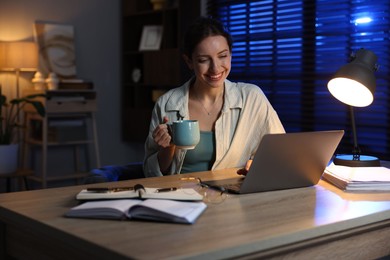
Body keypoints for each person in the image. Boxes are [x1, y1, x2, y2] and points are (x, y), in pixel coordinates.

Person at [143, 16, 285, 177]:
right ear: (189, 61)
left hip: (233, 198)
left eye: (223, 56)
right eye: (204, 60)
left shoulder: (252, 98)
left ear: (231, 55)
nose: (215, 68)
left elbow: (281, 155)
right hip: (181, 197)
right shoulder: (167, 104)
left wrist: (258, 166)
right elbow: (150, 174)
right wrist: (167, 150)